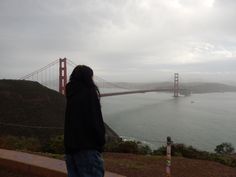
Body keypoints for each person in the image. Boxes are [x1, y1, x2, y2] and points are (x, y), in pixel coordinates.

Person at [64, 65, 106, 177]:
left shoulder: (71, 94)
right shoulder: (89, 93)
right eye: (91, 77)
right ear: (87, 78)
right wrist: (100, 142)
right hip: (88, 149)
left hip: (70, 151)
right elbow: (95, 121)